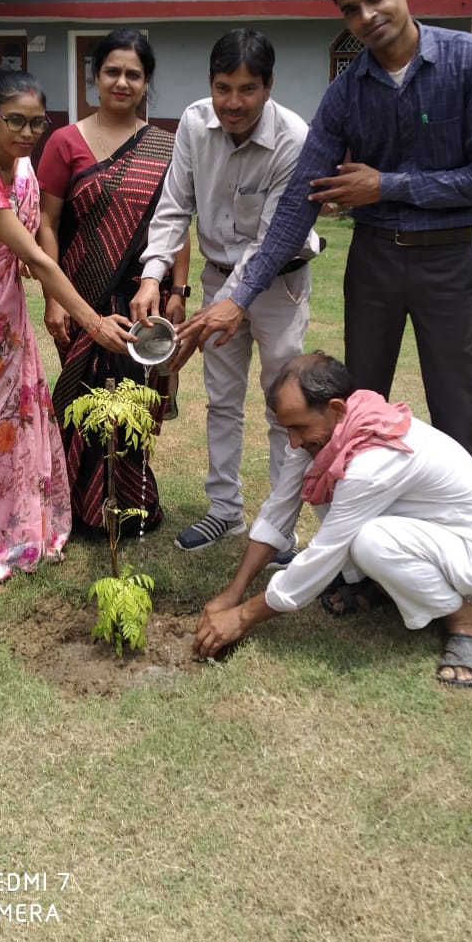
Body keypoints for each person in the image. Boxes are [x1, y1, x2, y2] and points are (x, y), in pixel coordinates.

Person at [180, 0, 472, 469]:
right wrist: (240, 297)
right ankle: (364, 513)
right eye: (350, 9)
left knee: (457, 404)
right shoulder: (346, 92)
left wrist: (387, 186)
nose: (366, 16)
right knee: (361, 407)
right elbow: (297, 205)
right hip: (374, 263)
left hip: (446, 260)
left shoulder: (469, 60)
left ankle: (464, 517)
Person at [0, 68, 132, 587]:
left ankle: (14, 526)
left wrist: (53, 302)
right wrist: (92, 321)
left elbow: (37, 237)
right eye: (15, 121)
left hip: (6, 307)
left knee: (12, 418)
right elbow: (36, 257)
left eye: (37, 123)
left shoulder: (19, 167)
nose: (27, 133)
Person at [194, 353, 472, 688]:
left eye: (299, 427)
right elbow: (278, 512)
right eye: (288, 428)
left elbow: (324, 556)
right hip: (428, 537)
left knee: (372, 542)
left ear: (335, 408)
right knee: (324, 487)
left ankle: (466, 621)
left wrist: (242, 616)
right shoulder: (331, 436)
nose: (294, 441)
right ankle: (380, 586)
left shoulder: (372, 461)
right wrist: (233, 593)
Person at [131, 29, 320, 553]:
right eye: (223, 88)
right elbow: (174, 206)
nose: (233, 103)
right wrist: (152, 276)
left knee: (284, 404)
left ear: (269, 86)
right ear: (209, 84)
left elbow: (272, 242)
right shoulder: (194, 123)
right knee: (221, 401)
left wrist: (229, 304)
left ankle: (280, 527)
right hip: (218, 275)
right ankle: (224, 510)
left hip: (279, 283)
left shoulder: (294, 139)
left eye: (247, 89)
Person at [36, 29, 190, 536]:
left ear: (146, 82)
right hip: (81, 292)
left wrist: (177, 291)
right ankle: (79, 504)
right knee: (83, 395)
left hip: (142, 295)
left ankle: (129, 502)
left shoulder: (165, 146)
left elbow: (175, 223)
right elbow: (47, 224)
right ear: (96, 76)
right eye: (112, 72)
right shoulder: (65, 142)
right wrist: (54, 299)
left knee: (131, 398)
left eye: (134, 74)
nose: (122, 82)